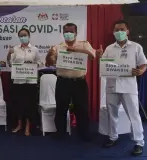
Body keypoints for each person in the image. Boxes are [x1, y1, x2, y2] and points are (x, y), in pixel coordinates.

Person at [45, 23, 102, 141]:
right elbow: (49, 63)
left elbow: (92, 56)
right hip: (62, 82)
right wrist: (49, 55)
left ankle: (84, 133)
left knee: (82, 109)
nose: (68, 34)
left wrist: (75, 49)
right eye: (66, 32)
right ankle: (60, 133)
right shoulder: (58, 47)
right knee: (61, 108)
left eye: (71, 31)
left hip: (79, 82)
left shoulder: (84, 44)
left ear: (76, 33)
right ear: (63, 33)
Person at [98, 20, 147, 156]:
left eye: (122, 29)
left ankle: (139, 142)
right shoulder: (109, 48)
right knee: (111, 114)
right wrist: (100, 57)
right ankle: (113, 137)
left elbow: (143, 64)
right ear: (113, 32)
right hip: (112, 85)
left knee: (134, 115)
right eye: (116, 30)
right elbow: (104, 65)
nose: (119, 32)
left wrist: (141, 71)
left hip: (129, 86)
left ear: (127, 31)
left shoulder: (136, 47)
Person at [7, 28, 43, 136]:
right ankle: (19, 125)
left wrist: (33, 64)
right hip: (18, 81)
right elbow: (10, 63)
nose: (23, 37)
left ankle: (28, 127)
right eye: (21, 35)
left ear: (29, 36)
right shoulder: (15, 49)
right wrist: (9, 54)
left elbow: (41, 63)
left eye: (25, 35)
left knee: (29, 105)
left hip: (30, 81)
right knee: (18, 104)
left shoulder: (35, 49)